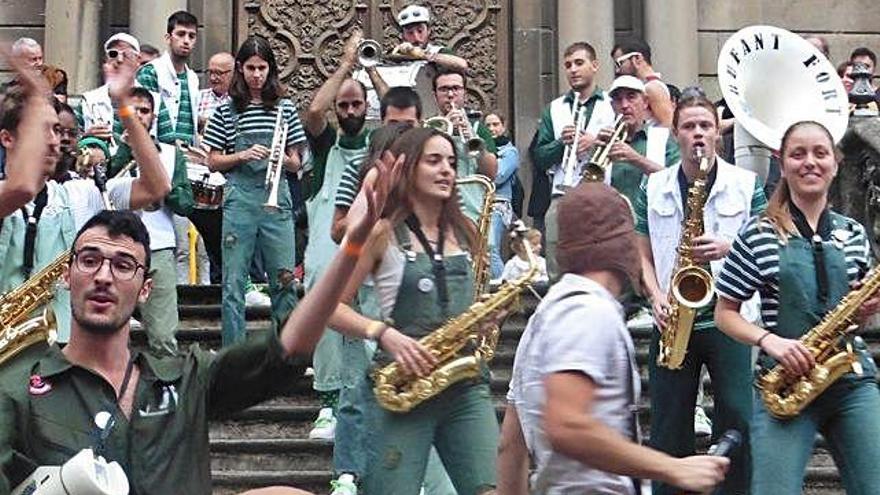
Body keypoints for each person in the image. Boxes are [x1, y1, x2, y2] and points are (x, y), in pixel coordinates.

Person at [0, 143, 398, 493]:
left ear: (145, 289)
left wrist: (352, 247)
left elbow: (288, 349)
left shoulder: (184, 378)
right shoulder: (18, 388)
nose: (103, 276)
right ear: (67, 277)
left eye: (123, 265)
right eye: (89, 261)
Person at [498, 181, 729, 494]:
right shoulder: (588, 311)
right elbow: (566, 424)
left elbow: (511, 442)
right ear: (621, 241)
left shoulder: (546, 314)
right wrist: (673, 467)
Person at [327, 127, 500, 494]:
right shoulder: (381, 233)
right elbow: (331, 307)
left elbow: (469, 304)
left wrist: (486, 318)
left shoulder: (466, 231)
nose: (447, 171)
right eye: (434, 161)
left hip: (464, 385)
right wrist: (383, 333)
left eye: (452, 162)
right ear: (409, 169)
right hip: (403, 386)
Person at [715, 120, 880, 494]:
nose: (810, 162)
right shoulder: (756, 234)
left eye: (820, 153)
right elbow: (724, 314)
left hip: (849, 379)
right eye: (798, 154)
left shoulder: (854, 234)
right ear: (782, 162)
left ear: (835, 163)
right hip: (785, 384)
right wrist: (770, 341)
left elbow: (855, 311)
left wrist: (864, 309)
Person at [635, 95, 767, 495]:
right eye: (689, 126)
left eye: (705, 126)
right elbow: (640, 251)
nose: (698, 134)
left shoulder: (747, 185)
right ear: (676, 134)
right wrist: (655, 293)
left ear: (717, 133)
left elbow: (767, 243)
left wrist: (730, 248)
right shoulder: (654, 185)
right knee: (668, 426)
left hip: (731, 317)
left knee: (738, 421)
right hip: (672, 316)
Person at [0, 47, 170, 343]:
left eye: (56, 130)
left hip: (62, 355)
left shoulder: (78, 194)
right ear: (7, 138)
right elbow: (23, 187)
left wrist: (124, 107)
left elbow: (157, 187)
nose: (55, 142)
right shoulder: (10, 193)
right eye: (41, 130)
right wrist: (39, 95)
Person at [203, 35, 307, 346]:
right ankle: (232, 354)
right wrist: (241, 156)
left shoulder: (285, 109)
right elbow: (211, 162)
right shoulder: (225, 110)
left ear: (271, 70)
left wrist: (282, 157)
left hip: (277, 199)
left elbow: (297, 163)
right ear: (240, 69)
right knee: (233, 284)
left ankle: (285, 355)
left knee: (284, 281)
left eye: (262, 68)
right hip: (240, 199)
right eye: (250, 68)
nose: (256, 75)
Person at [301, 31, 371, 445]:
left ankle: (360, 396)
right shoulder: (327, 143)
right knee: (325, 317)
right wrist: (346, 65)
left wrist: (373, 71)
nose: (347, 111)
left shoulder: (380, 143)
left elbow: (405, 117)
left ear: (367, 107)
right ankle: (328, 401)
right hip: (325, 245)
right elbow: (313, 110)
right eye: (343, 105)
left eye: (355, 104)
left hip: (363, 241)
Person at [108, 86, 182, 356]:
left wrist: (162, 194)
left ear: (153, 116)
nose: (139, 115)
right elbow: (107, 184)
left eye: (145, 110)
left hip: (159, 246)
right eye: (133, 110)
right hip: (118, 246)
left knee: (163, 334)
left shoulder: (171, 154)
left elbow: (186, 202)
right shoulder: (111, 149)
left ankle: (168, 391)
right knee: (110, 331)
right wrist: (126, 150)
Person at [531, 41, 615, 279]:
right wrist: (561, 144)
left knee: (600, 258)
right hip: (562, 192)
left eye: (579, 63)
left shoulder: (612, 104)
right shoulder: (554, 109)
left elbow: (625, 145)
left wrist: (596, 140)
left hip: (601, 193)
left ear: (595, 65)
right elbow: (539, 157)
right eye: (568, 65)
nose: (573, 69)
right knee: (557, 256)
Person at [331, 86, 423, 244]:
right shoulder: (358, 165)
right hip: (374, 260)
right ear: (382, 123)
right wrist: (376, 205)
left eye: (409, 125)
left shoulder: (433, 164)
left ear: (420, 124)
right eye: (393, 124)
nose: (400, 132)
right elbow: (337, 232)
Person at [432, 69, 497, 222]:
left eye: (455, 88)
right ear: (435, 96)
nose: (450, 95)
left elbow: (491, 173)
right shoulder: (428, 128)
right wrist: (445, 131)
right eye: (444, 89)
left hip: (473, 213)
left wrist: (472, 137)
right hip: (437, 213)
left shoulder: (478, 128)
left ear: (464, 93)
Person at [137, 10, 201, 146]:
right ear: (168, 38)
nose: (186, 41)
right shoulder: (151, 71)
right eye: (181, 34)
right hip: (156, 151)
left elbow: (191, 123)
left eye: (191, 36)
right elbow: (144, 117)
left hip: (189, 155)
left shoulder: (193, 78)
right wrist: (173, 143)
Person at [77, 33, 141, 157]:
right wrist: (86, 137)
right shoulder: (88, 100)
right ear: (106, 60)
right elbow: (71, 144)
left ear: (138, 60)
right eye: (113, 54)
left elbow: (167, 147)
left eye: (126, 55)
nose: (119, 60)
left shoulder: (155, 99)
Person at [484, 111, 520, 281]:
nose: (491, 128)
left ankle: (502, 288)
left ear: (503, 127)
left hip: (498, 204)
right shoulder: (481, 147)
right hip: (481, 204)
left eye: (495, 124)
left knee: (489, 249)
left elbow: (498, 176)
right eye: (488, 125)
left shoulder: (510, 151)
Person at [612, 37, 674, 127]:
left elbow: (667, 124)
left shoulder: (652, 88)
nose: (617, 70)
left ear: (637, 58)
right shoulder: (648, 86)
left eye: (620, 63)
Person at [198, 51, 235, 128]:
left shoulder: (239, 99)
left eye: (218, 73)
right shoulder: (198, 97)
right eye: (210, 72)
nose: (212, 78)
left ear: (233, 73)